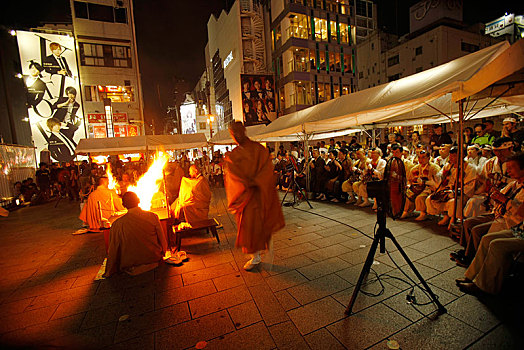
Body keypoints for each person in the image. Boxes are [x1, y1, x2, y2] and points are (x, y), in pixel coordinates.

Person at [224, 122, 285, 271]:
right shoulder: (234, 154)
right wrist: (242, 183)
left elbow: (266, 170)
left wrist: (254, 182)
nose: (236, 136)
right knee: (247, 228)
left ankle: (256, 256)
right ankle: (255, 254)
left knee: (257, 227)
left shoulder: (258, 149)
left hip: (257, 195)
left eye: (238, 132)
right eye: (233, 134)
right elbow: (232, 174)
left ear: (244, 131)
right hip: (244, 197)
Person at [104, 191, 169, 277]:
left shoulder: (117, 224)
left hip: (131, 266)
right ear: (139, 200)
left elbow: (113, 250)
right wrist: (162, 254)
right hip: (154, 260)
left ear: (123, 205)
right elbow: (163, 241)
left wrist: (109, 271)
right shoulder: (153, 217)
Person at [426, 147, 477, 226]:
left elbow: (470, 186)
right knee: (431, 198)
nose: (451, 158)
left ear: (462, 156)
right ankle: (446, 216)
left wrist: (455, 192)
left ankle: (453, 219)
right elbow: (440, 176)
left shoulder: (470, 168)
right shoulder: (448, 166)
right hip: (447, 190)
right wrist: (434, 175)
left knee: (453, 202)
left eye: (454, 156)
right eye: (450, 155)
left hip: (461, 194)